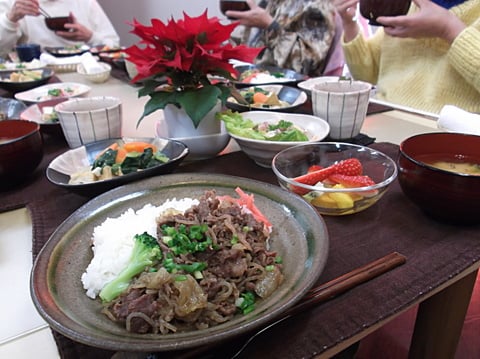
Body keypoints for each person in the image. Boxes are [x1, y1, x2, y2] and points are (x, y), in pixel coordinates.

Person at [334, 0, 480, 114]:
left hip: (449, 134)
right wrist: (349, 23)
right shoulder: (407, 5)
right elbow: (367, 74)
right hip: (388, 117)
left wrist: (448, 28)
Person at [226, 0, 344, 77]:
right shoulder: (271, 2)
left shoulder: (317, 7)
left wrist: (270, 26)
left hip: (291, 95)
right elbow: (249, 47)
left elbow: (304, 65)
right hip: (251, 82)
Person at [0, 0, 120, 58]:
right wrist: (10, 19)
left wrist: (90, 37)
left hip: (87, 73)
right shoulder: (15, 3)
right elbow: (2, 52)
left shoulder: (85, 2)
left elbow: (114, 45)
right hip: (38, 79)